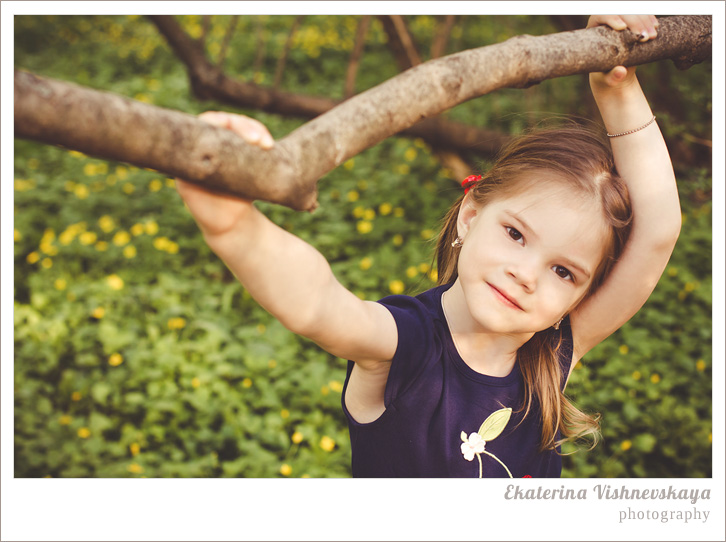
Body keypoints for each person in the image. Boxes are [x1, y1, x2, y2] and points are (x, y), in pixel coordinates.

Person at [175, 15, 680, 477]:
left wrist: (618, 89)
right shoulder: (405, 347)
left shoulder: (551, 355)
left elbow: (656, 234)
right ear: (472, 214)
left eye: (563, 272)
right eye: (516, 234)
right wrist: (234, 224)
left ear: (576, 298)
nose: (527, 274)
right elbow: (319, 305)